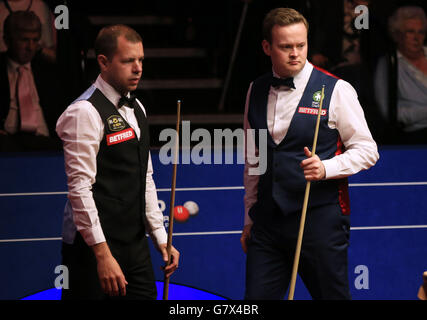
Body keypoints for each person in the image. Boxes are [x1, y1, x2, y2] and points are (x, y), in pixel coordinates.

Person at [241, 8, 379, 300]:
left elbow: (368, 150)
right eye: (285, 46)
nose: (295, 53)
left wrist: (326, 168)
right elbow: (254, 159)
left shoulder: (337, 90)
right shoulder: (255, 89)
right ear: (267, 47)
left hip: (319, 220)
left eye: (301, 45)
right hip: (267, 224)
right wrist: (249, 218)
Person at [56, 24, 179, 299]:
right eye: (128, 61)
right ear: (103, 62)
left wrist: (160, 236)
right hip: (92, 247)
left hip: (133, 243)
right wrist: (102, 255)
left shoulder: (137, 107)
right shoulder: (83, 112)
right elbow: (79, 189)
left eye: (140, 60)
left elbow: (144, 176)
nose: (138, 68)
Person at [0, 10, 62, 152]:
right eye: (24, 40)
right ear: (7, 40)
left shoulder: (48, 72)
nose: (30, 47)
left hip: (45, 141)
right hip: (7, 141)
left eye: (35, 40)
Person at [374, 6, 427, 144]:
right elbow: (391, 114)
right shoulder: (388, 64)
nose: (417, 38)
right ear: (397, 35)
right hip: (414, 135)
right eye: (410, 32)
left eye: (421, 32)